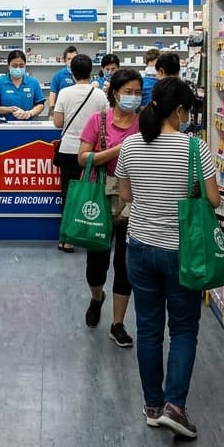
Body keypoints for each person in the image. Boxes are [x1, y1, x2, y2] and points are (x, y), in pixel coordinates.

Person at [115, 78, 219, 439]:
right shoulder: (195, 149)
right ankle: (175, 406)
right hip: (181, 252)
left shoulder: (130, 145)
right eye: (188, 111)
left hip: (139, 247)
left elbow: (125, 194)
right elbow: (213, 200)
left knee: (148, 328)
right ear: (179, 111)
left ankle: (153, 406)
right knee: (184, 328)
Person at [76, 67, 142, 348]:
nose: (133, 97)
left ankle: (117, 323)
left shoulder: (145, 123)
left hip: (134, 199)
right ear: (115, 93)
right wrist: (118, 151)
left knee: (125, 266)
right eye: (128, 92)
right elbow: (82, 158)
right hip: (100, 199)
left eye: (138, 93)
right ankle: (96, 296)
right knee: (97, 264)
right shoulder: (98, 120)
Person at [51, 55, 107, 255]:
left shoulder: (65, 93)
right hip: (92, 152)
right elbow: (105, 122)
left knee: (68, 193)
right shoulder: (99, 94)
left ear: (72, 72)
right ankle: (91, 233)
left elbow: (58, 123)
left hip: (69, 150)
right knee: (91, 194)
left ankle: (67, 240)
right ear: (91, 71)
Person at [0, 50, 45, 120]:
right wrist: (9, 109)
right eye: (14, 66)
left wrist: (29, 113)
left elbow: (40, 104)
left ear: (25, 65)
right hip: (4, 125)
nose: (18, 68)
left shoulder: (33, 82)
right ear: (8, 66)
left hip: (28, 125)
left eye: (21, 66)